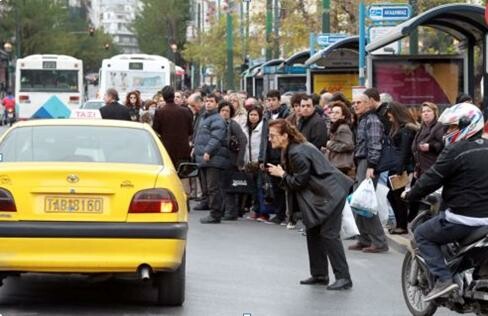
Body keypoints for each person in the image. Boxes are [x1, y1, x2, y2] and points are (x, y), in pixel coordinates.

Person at [404, 102, 488, 302]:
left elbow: (431, 179)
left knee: (423, 234)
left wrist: (410, 194)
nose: (447, 132)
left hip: (463, 219)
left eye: (452, 128)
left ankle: (443, 279)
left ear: (467, 126)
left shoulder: (454, 151)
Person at [267, 119, 353, 290]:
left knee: (329, 235)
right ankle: (319, 274)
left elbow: (299, 182)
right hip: (323, 195)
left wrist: (282, 174)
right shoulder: (293, 148)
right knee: (313, 232)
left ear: (285, 136)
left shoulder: (296, 152)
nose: (270, 139)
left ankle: (344, 278)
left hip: (330, 195)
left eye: (273, 135)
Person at [349, 93, 389, 253]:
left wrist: (371, 165)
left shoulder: (372, 120)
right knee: (358, 201)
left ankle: (379, 242)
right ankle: (364, 238)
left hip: (367, 163)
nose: (355, 105)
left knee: (365, 203)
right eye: (354, 103)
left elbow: (375, 144)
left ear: (367, 104)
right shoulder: (363, 119)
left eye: (359, 102)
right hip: (362, 162)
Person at [194, 93, 231, 224]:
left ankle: (215, 214)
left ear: (216, 104)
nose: (208, 103)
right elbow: (200, 136)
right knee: (209, 187)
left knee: (213, 187)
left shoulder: (217, 119)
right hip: (205, 158)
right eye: (206, 101)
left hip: (213, 159)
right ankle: (214, 212)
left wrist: (208, 151)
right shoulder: (205, 117)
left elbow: (216, 137)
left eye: (211, 101)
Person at [384, 102, 419, 234]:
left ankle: (402, 225)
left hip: (402, 168)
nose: (388, 116)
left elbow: (404, 151)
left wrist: (399, 169)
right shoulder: (400, 128)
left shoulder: (406, 130)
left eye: (390, 113)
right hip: (398, 166)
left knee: (398, 197)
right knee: (393, 196)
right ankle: (401, 223)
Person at [409, 102, 446, 221]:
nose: (425, 114)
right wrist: (416, 168)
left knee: (433, 198)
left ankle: (435, 221)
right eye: (423, 111)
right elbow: (416, 150)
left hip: (433, 167)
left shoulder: (439, 126)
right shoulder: (422, 127)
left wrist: (430, 146)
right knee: (426, 198)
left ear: (435, 113)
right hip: (422, 168)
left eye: (428, 111)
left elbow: (444, 143)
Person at [259, 90, 289, 224]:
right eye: (268, 100)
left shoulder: (286, 114)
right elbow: (264, 139)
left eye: (273, 100)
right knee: (274, 187)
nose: (270, 103)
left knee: (285, 186)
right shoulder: (266, 115)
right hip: (270, 154)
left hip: (282, 154)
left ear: (279, 100)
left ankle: (285, 214)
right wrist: (262, 158)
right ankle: (279, 213)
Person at [218, 100, 247, 220]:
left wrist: (239, 160)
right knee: (222, 187)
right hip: (221, 160)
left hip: (231, 160)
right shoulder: (218, 124)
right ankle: (225, 210)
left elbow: (243, 139)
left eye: (227, 111)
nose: (225, 113)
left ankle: (231, 212)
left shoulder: (233, 124)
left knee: (229, 187)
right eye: (223, 110)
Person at [152, 86, 193, 168]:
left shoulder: (160, 112)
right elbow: (190, 130)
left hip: (166, 150)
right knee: (181, 177)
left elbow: (155, 130)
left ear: (163, 97)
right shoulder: (185, 111)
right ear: (173, 96)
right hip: (183, 150)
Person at [325, 101, 355, 177]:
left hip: (341, 165)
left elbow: (349, 145)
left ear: (343, 116)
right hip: (336, 164)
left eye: (337, 113)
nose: (333, 115)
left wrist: (330, 144)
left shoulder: (343, 128)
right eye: (332, 112)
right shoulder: (335, 126)